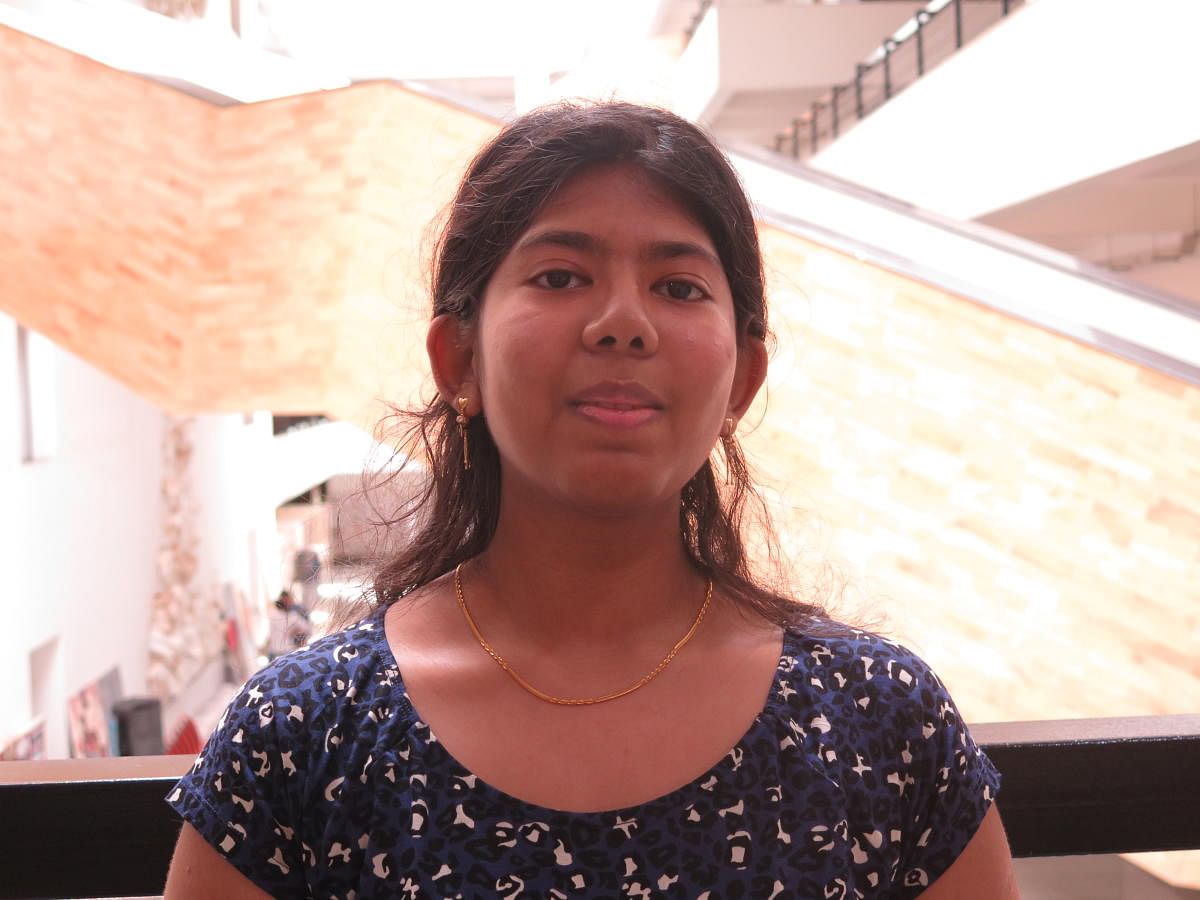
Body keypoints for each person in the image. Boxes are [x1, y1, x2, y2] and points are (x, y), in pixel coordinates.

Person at [164, 101, 1016, 898]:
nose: (622, 322)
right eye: (562, 276)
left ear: (741, 383)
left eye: (678, 287)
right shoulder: (305, 736)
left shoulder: (882, 726)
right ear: (458, 360)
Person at [265, 589, 311, 661]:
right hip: (286, 652)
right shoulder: (293, 616)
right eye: (289, 600)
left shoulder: (272, 615)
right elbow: (307, 629)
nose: (290, 602)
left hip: (275, 652)